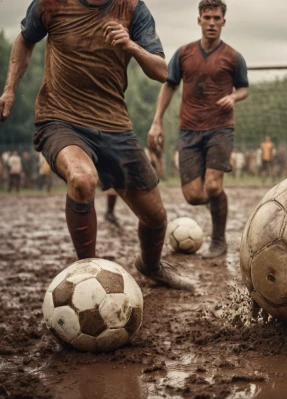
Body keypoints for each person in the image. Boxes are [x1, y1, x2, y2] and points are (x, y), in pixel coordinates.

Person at [0, 0, 192, 290]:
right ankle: (87, 275)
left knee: (155, 216)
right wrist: (10, 89)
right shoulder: (50, 4)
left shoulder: (132, 8)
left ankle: (151, 266)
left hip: (114, 125)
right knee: (81, 178)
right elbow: (25, 40)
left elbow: (162, 71)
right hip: (60, 119)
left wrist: (131, 46)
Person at [148, 0, 249, 259]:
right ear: (199, 20)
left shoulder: (234, 57)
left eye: (217, 18)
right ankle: (219, 206)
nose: (212, 23)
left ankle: (219, 240)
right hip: (189, 130)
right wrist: (157, 120)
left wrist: (234, 98)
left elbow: (244, 88)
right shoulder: (183, 54)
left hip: (220, 128)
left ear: (224, 22)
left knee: (214, 186)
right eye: (207, 18)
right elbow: (169, 85)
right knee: (193, 196)